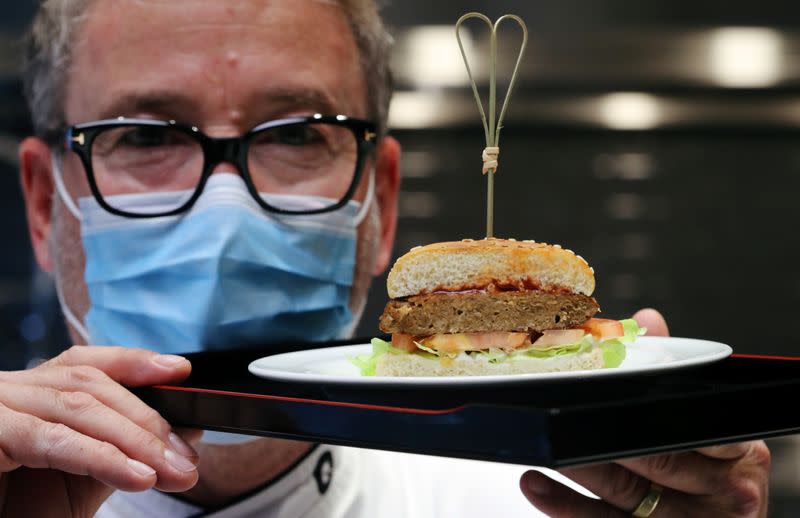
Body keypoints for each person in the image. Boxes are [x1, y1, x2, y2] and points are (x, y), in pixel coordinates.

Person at [8, 0, 769, 516]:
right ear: (45, 205)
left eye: (297, 133)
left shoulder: (538, 499)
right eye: (145, 136)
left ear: (381, 203)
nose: (225, 213)